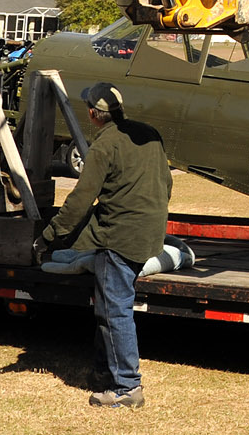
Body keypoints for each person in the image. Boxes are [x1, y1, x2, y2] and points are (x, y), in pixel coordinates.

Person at [36, 82, 173, 409]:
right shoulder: (148, 133)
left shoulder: (103, 146)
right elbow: (166, 184)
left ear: (94, 114)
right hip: (149, 233)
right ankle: (103, 371)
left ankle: (127, 386)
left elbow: (80, 201)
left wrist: (49, 236)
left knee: (115, 310)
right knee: (107, 304)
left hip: (121, 238)